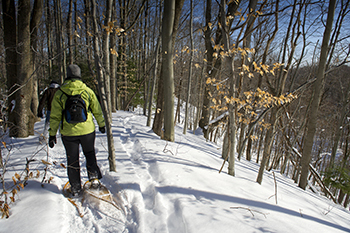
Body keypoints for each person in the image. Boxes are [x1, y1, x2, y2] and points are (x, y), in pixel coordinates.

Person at [48, 64, 106, 197]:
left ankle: (75, 188)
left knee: (72, 159)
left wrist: (52, 134)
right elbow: (97, 109)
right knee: (90, 154)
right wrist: (101, 124)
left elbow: (55, 116)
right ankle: (94, 180)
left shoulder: (60, 93)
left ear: (68, 76)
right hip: (87, 130)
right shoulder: (87, 91)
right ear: (79, 75)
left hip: (68, 133)